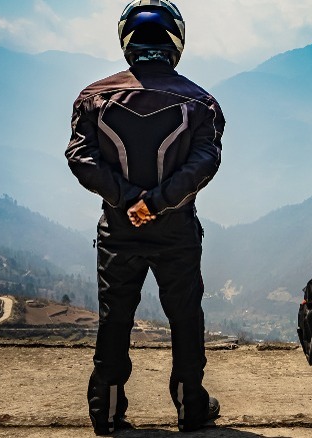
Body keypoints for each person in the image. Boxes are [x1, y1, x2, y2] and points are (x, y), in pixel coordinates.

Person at [65, 0, 225, 434]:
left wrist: (130, 199)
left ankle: (107, 410)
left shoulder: (93, 97)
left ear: (126, 41)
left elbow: (81, 157)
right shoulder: (200, 102)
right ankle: (191, 405)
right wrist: (156, 202)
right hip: (176, 231)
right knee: (185, 316)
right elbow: (204, 162)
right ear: (176, 41)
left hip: (118, 230)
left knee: (114, 316)